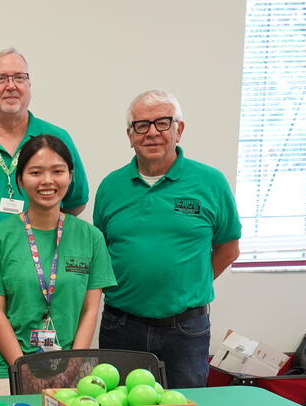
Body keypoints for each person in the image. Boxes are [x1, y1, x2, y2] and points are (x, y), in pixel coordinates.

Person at [93, 90, 241, 388]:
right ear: (130, 135)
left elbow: (229, 248)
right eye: (141, 125)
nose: (152, 133)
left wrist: (189, 284)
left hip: (185, 329)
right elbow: (103, 252)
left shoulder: (210, 183)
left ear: (179, 129)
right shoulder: (111, 187)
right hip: (122, 326)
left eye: (162, 123)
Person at [0, 135, 116, 396]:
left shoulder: (91, 237)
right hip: (9, 370)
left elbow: (90, 311)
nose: (47, 181)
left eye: (57, 171)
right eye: (36, 172)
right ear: (20, 180)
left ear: (70, 176)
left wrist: (72, 367)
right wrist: (23, 370)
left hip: (76, 372)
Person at [0, 49, 88, 218]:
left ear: (29, 86)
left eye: (19, 78)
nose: (11, 86)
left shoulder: (58, 138)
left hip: (42, 244)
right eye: (1, 79)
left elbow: (76, 202)